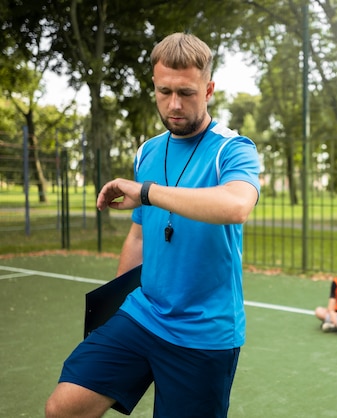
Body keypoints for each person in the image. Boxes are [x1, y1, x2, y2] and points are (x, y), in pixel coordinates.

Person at [45, 33, 261, 418]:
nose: (174, 104)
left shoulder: (232, 148)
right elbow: (140, 234)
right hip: (143, 314)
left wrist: (147, 192)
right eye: (164, 92)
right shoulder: (148, 151)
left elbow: (236, 205)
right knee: (64, 408)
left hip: (204, 332)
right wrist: (112, 308)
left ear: (208, 89)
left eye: (186, 92)